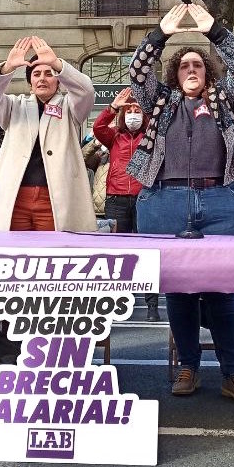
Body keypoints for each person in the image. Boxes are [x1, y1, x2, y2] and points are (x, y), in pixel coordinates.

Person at [128, 3, 234, 405]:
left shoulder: (224, 98)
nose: (190, 69)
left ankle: (233, 373)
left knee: (223, 290)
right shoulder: (159, 100)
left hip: (222, 200)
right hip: (166, 200)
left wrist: (214, 31)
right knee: (179, 291)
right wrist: (160, 36)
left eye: (197, 65)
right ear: (175, 73)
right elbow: (137, 74)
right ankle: (188, 366)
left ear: (207, 73)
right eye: (184, 65)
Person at [0, 36, 96, 232]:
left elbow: (87, 92)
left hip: (55, 199)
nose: (42, 78)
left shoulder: (70, 107)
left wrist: (56, 64)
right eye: (36, 74)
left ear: (58, 81)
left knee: (52, 249)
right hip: (15, 198)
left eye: (49, 74)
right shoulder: (14, 106)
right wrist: (7, 68)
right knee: (13, 248)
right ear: (30, 83)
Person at [93, 87, 158, 320]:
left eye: (137, 110)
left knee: (148, 251)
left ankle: (152, 306)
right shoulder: (114, 137)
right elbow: (98, 128)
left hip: (144, 199)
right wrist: (112, 108)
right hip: (116, 199)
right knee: (116, 252)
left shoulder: (150, 137)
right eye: (129, 111)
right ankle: (114, 302)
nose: (132, 114)